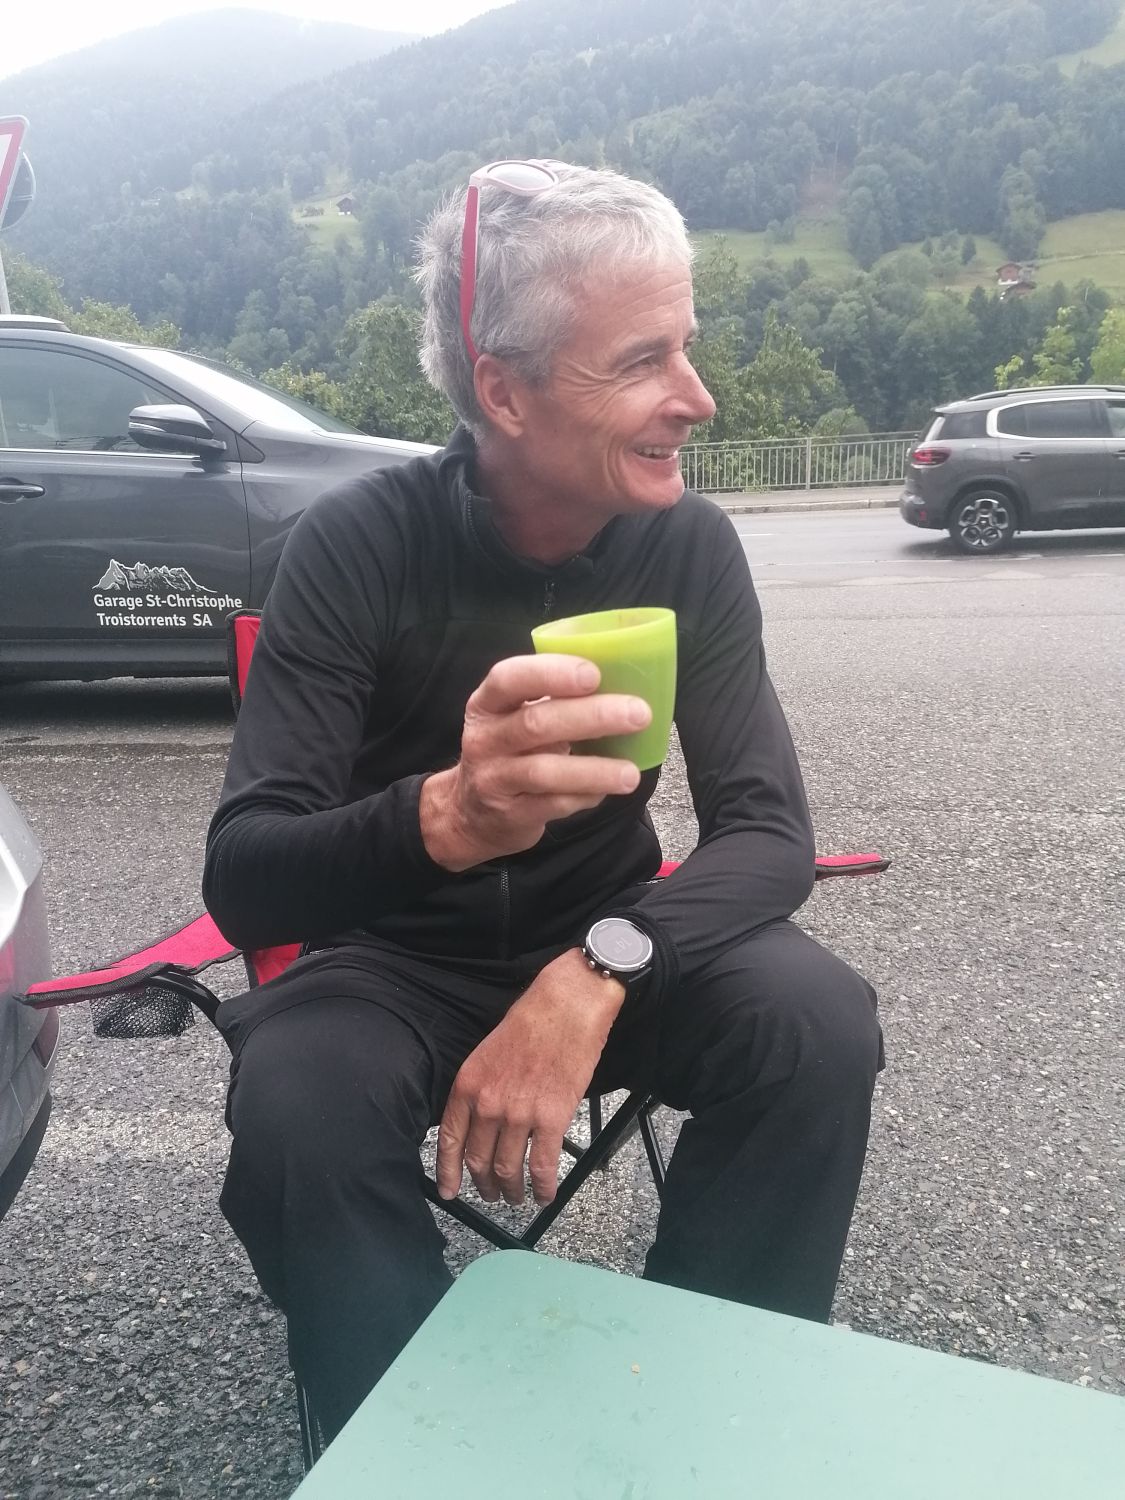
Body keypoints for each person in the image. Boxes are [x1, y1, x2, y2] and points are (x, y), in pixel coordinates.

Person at [202, 160, 883, 1442]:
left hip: (609, 937)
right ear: (504, 392)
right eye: (641, 361)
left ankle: (704, 1400)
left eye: (686, 346)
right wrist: (445, 818)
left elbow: (768, 833)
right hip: (393, 964)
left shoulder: (686, 544)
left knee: (815, 1022)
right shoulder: (355, 546)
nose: (697, 397)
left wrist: (602, 965)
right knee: (298, 1106)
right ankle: (406, 1438)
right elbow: (245, 874)